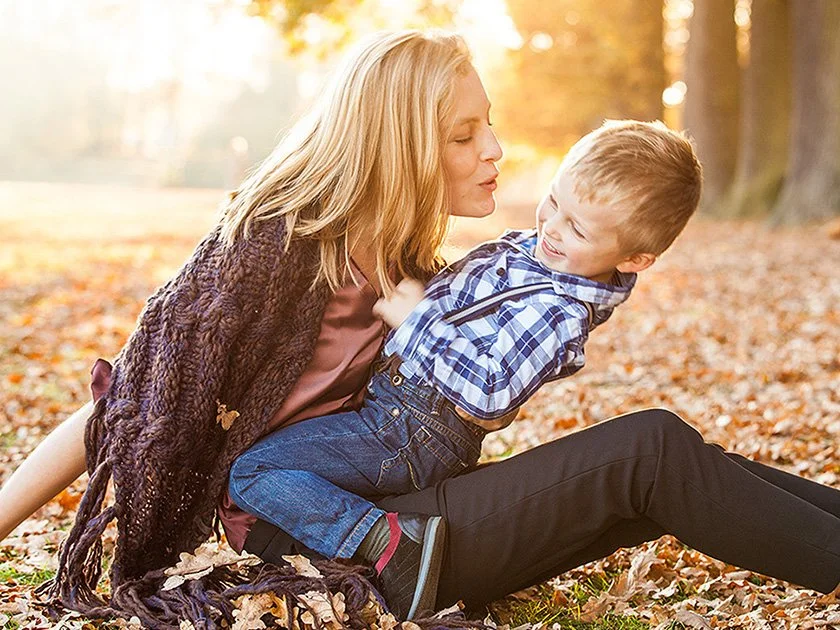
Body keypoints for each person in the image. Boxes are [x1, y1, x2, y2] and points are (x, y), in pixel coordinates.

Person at [0, 30, 504, 627]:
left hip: (354, 502)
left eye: (488, 125)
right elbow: (138, 403)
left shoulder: (418, 271)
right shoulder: (273, 243)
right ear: (398, 147)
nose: (496, 148)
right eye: (464, 135)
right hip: (265, 512)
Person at [227, 119, 701, 619]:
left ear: (634, 258)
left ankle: (386, 544)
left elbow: (491, 392)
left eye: (577, 228)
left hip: (411, 430)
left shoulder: (559, 311)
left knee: (255, 471)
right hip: (400, 414)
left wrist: (416, 320)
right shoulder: (534, 255)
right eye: (555, 201)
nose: (553, 227)